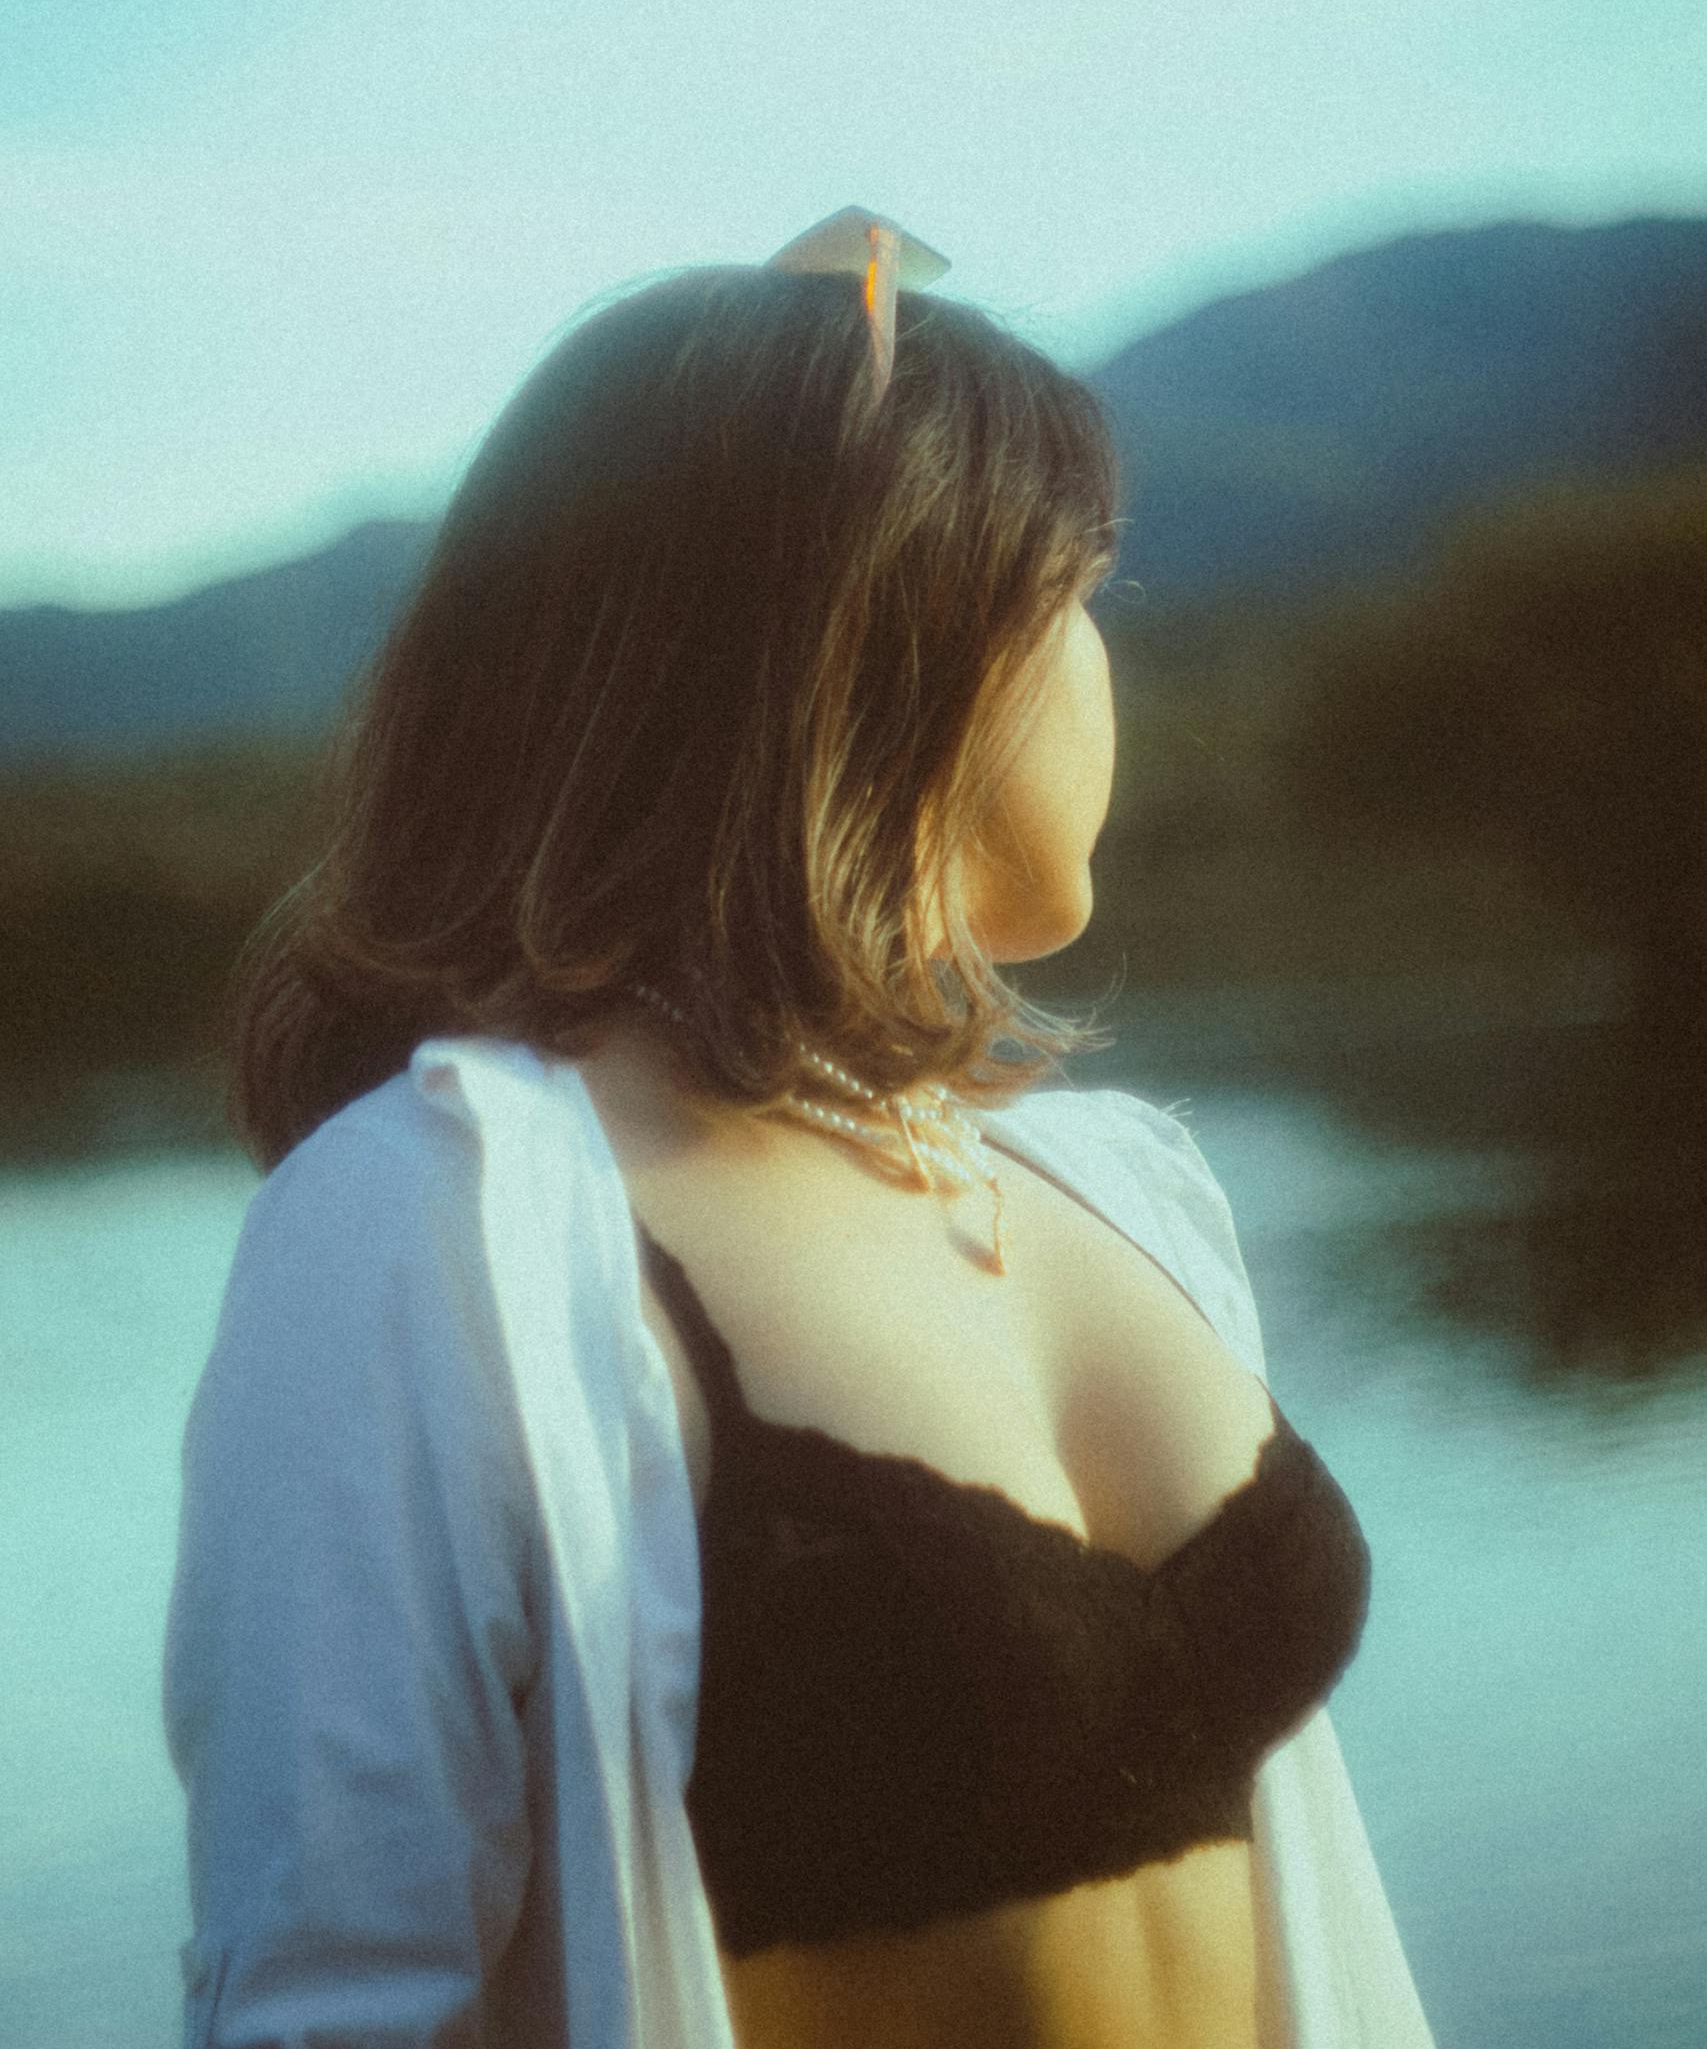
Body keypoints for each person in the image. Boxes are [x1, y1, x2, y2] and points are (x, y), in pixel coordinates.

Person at [164, 212, 1436, 2048]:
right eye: (1077, 592)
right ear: (895, 643)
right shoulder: (435, 1227)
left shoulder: (1114, 1185)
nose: (1103, 663)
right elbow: (331, 1997)